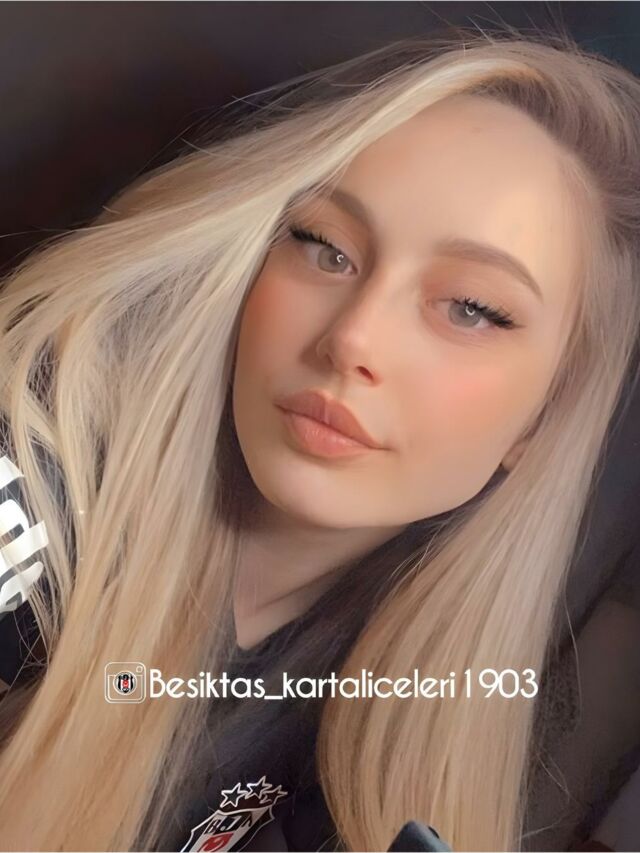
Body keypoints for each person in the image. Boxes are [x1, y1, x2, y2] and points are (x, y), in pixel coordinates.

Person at [0, 23, 639, 852]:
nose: (353, 339)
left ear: (545, 415)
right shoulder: (38, 480)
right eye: (326, 248)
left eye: (471, 308)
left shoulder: (404, 729)